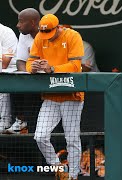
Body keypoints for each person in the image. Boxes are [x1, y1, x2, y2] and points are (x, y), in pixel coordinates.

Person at [26, 14, 84, 180]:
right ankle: (59, 169)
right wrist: (34, 67)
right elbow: (30, 61)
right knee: (40, 136)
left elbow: (75, 65)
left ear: (58, 27)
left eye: (50, 32)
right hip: (51, 95)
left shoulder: (72, 35)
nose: (47, 37)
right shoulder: (39, 37)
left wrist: (52, 68)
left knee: (72, 138)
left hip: (71, 95)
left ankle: (73, 176)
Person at [5, 8, 42, 134]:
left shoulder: (48, 34)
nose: (18, 25)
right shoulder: (23, 35)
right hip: (33, 77)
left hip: (51, 80)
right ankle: (21, 122)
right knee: (15, 82)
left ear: (32, 23)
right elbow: (21, 61)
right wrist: (28, 76)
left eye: (21, 22)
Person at [0, 23, 18, 133]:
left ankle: (5, 122)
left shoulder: (6, 33)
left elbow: (4, 63)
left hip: (9, 73)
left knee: (2, 85)